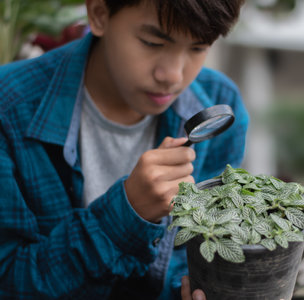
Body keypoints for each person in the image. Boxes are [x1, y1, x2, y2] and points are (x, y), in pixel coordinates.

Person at [0, 0, 248, 299]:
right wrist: (126, 215)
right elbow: (9, 280)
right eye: (153, 42)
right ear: (100, 14)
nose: (173, 75)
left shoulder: (220, 104)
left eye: (198, 48)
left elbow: (195, 261)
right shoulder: (9, 109)